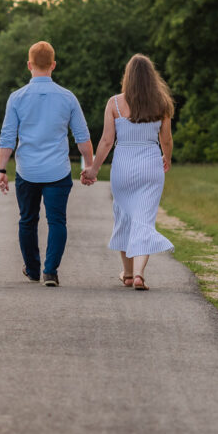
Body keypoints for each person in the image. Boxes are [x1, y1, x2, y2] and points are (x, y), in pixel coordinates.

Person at [0, 41, 94, 287]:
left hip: (27, 171)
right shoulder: (67, 97)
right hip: (57, 171)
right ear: (53, 65)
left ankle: (32, 270)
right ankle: (50, 272)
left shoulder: (16, 98)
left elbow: (7, 137)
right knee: (57, 221)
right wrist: (90, 167)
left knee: (27, 220)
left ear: (29, 65)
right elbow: (82, 137)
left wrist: (1, 170)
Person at [81, 54, 174, 291]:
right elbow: (166, 139)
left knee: (124, 216)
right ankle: (139, 273)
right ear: (151, 78)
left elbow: (106, 141)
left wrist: (93, 169)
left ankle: (129, 274)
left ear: (128, 77)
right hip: (151, 166)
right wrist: (167, 157)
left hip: (123, 167)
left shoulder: (114, 103)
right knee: (145, 220)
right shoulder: (162, 103)